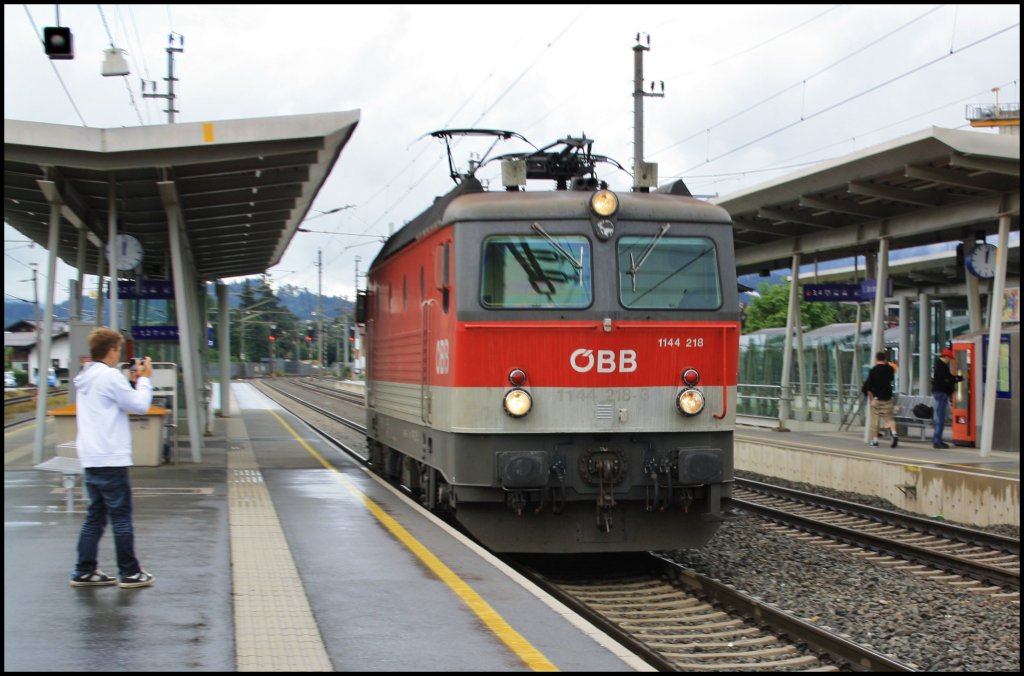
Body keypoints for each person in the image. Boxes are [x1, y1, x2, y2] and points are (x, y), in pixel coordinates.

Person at [69, 328, 156, 589]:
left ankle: (84, 570)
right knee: (121, 516)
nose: (119, 354)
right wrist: (144, 380)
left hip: (91, 457)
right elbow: (140, 405)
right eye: (118, 349)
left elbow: (116, 402)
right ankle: (129, 572)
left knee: (94, 517)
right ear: (111, 350)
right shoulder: (109, 376)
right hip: (111, 458)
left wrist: (131, 382)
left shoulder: (86, 376)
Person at [862, 350, 898, 448]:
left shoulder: (873, 370)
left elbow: (869, 387)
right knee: (889, 418)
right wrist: (889, 364)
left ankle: (875, 441)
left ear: (876, 359)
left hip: (877, 399)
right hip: (888, 398)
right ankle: (894, 434)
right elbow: (893, 371)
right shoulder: (890, 369)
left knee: (875, 421)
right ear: (885, 359)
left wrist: (871, 399)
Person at [930, 347, 962, 449]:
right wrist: (956, 379)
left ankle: (937, 439)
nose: (950, 360)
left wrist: (958, 378)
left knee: (940, 416)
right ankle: (937, 441)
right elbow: (946, 380)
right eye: (950, 358)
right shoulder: (941, 366)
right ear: (946, 357)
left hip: (938, 392)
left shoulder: (937, 365)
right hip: (941, 393)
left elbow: (947, 378)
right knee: (940, 417)